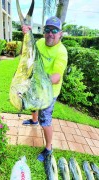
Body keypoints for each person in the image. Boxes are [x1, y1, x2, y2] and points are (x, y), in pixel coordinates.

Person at [22, 16, 68, 162]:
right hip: (36, 86)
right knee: (33, 104)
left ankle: (49, 148)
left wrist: (40, 77)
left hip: (49, 92)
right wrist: (26, 33)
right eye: (47, 29)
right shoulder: (40, 42)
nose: (50, 33)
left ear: (60, 33)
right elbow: (30, 49)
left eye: (54, 30)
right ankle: (33, 120)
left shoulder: (61, 52)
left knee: (46, 120)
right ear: (44, 32)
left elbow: (56, 78)